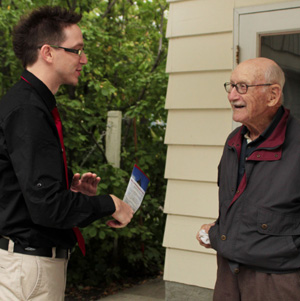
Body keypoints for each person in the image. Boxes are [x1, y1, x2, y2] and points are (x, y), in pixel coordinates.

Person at [0, 6, 133, 300]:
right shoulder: (27, 111)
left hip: (29, 266)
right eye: (77, 51)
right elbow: (47, 207)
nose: (83, 59)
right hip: (28, 268)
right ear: (48, 52)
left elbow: (29, 193)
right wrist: (108, 204)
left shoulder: (32, 104)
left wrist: (68, 194)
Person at [196, 57, 300, 300]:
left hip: (277, 280)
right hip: (228, 275)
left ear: (273, 95)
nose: (232, 96)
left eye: (242, 87)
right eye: (230, 86)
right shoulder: (234, 141)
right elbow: (241, 206)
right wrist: (217, 230)